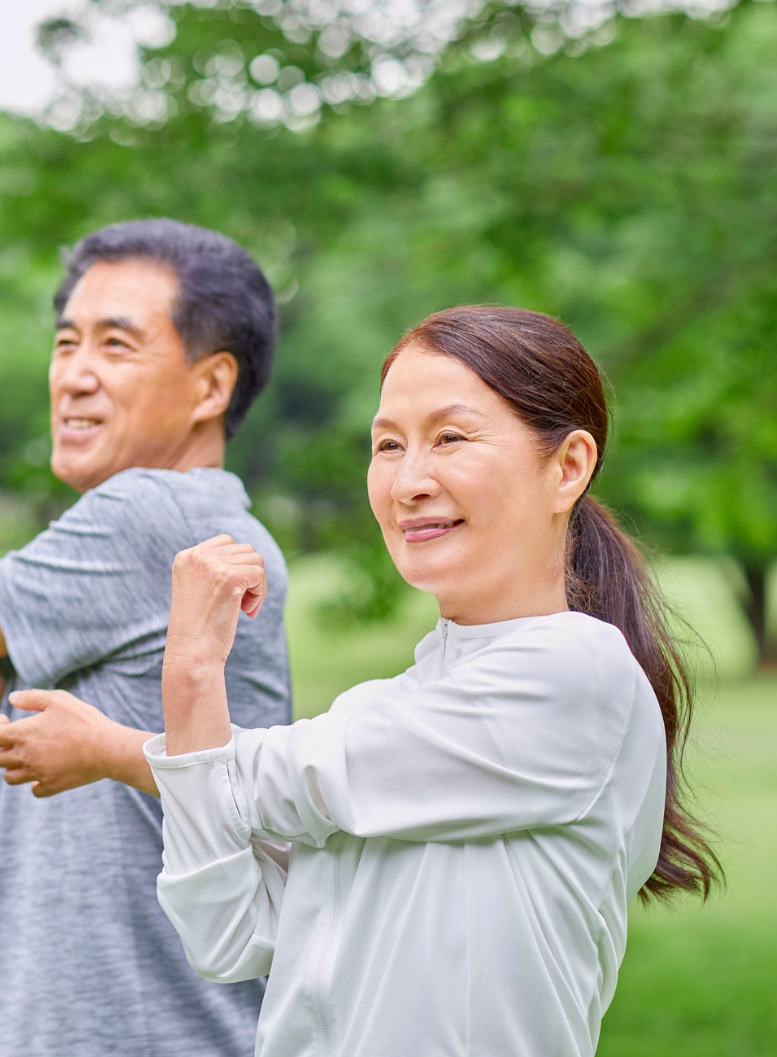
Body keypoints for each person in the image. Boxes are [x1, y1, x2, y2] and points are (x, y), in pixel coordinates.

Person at [51, 305, 718, 1057]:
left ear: (566, 466)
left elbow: (282, 780)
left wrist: (142, 716)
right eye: (388, 445)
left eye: (450, 437)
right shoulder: (380, 710)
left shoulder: (577, 674)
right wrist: (197, 676)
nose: (407, 482)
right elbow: (228, 932)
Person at [0, 219, 292, 1056]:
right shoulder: (177, 532)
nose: (74, 373)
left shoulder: (152, 516)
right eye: (66, 341)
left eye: (116, 344)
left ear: (210, 385)